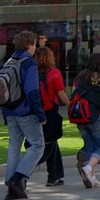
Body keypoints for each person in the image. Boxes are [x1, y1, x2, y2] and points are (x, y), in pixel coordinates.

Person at [1, 30, 46, 200]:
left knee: (14, 147)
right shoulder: (29, 63)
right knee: (37, 145)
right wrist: (41, 114)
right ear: (29, 45)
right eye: (34, 44)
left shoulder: (9, 61)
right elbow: (32, 91)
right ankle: (18, 177)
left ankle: (11, 185)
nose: (35, 47)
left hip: (10, 110)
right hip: (25, 110)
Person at [71, 53, 100, 188]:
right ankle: (88, 169)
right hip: (98, 116)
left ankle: (91, 179)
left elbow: (74, 95)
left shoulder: (80, 78)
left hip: (81, 116)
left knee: (89, 146)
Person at [34, 45, 68, 186]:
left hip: (37, 111)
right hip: (50, 110)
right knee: (48, 144)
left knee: (53, 143)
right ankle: (22, 172)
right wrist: (71, 105)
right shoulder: (54, 73)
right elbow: (60, 93)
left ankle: (55, 175)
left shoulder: (33, 73)